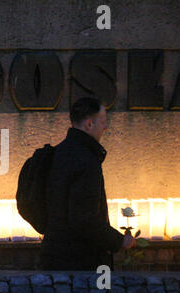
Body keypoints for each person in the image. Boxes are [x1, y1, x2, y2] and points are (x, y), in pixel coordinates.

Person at [41, 97, 136, 271]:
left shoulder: (58, 153)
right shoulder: (86, 160)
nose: (105, 127)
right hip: (84, 261)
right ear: (89, 124)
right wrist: (120, 240)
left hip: (53, 255)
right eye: (103, 122)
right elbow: (85, 219)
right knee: (102, 292)